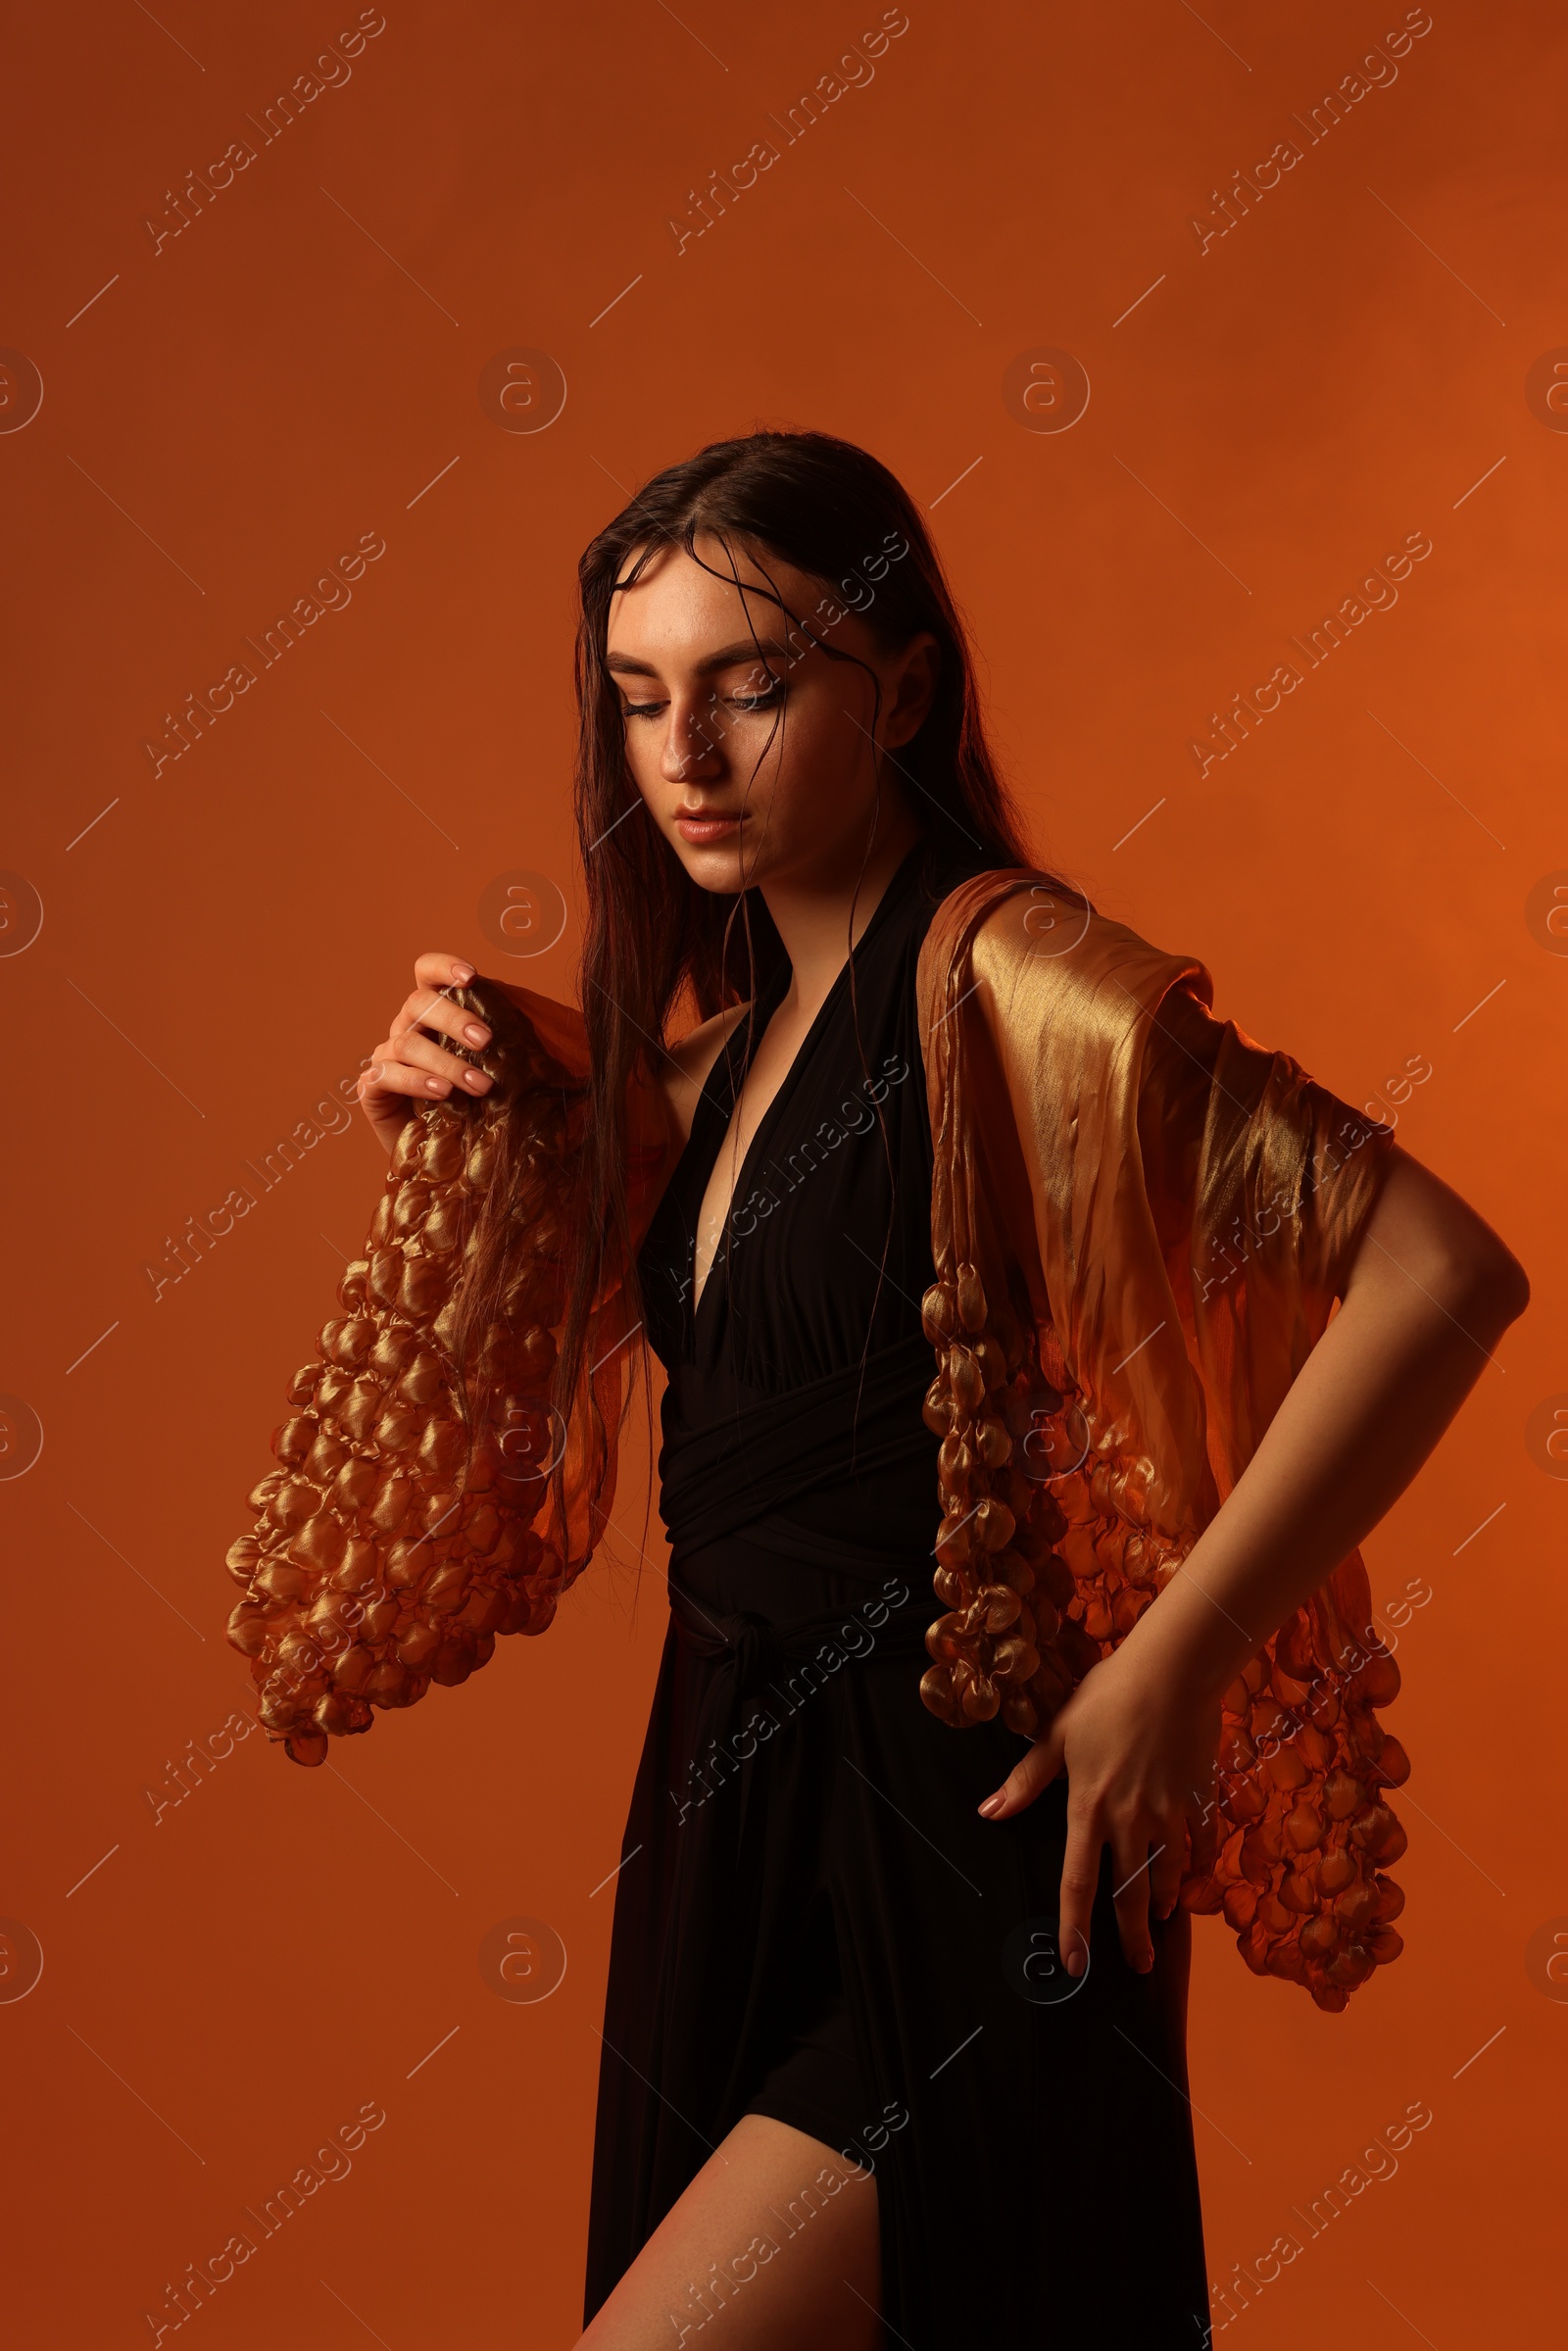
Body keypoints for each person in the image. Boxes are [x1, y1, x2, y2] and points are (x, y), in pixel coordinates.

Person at [352, 431, 1529, 2349]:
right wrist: (474, 1053)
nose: (685, 756)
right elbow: (677, 1189)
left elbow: (1439, 1270)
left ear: (897, 687)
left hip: (959, 1840)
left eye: (753, 685)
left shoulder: (1018, 980)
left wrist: (1172, 1668)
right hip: (727, 1830)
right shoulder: (724, 1058)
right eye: (637, 699)